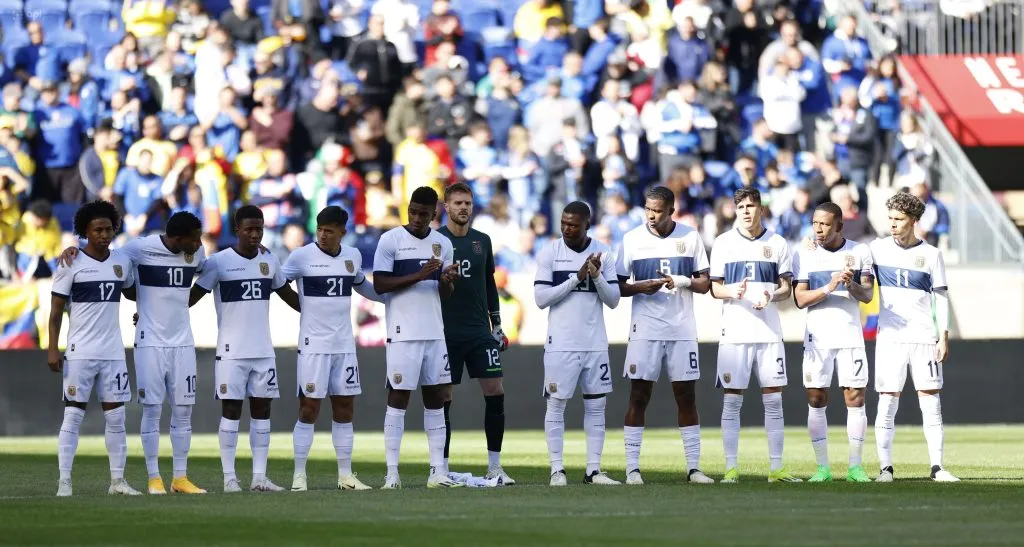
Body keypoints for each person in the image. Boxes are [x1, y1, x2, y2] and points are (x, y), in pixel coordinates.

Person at [58, 211, 209, 495]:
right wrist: (73, 251)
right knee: (151, 409)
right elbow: (105, 255)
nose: (199, 243)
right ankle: (154, 478)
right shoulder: (139, 249)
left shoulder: (197, 252)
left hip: (183, 342)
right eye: (194, 238)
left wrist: (255, 250)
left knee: (183, 411)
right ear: (178, 238)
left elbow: (212, 271)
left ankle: (180, 478)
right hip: (149, 341)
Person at [190, 205, 302, 493]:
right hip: (231, 351)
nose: (254, 234)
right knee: (231, 411)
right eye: (249, 229)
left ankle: (259, 477)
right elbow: (192, 297)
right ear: (237, 230)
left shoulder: (270, 260)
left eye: (259, 229)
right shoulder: (218, 263)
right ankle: (229, 478)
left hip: (263, 350)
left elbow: (289, 295)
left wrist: (321, 311)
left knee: (262, 411)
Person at [616, 186, 714, 485]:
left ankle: (693, 468)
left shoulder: (690, 236)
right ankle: (632, 468)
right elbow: (618, 287)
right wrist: (639, 287)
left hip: (682, 327)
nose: (650, 215)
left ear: (671, 210)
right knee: (639, 395)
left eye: (656, 210)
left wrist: (681, 281)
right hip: (645, 329)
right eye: (647, 209)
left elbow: (705, 283)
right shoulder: (632, 239)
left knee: (686, 397)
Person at [281, 206, 381, 492]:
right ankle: (299, 476)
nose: (323, 235)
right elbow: (278, 282)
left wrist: (395, 297)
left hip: (344, 345)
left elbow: (363, 287)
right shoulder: (301, 256)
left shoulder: (352, 256)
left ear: (342, 232)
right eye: (320, 229)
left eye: (329, 231)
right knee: (309, 408)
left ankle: (346, 476)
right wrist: (301, 306)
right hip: (314, 345)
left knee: (345, 407)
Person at [48, 200, 141, 497]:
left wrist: (142, 311)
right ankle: (64, 481)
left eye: (108, 229)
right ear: (84, 231)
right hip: (80, 352)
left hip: (113, 353)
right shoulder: (70, 262)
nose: (104, 234)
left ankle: (118, 482)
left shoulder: (121, 262)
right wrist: (52, 348)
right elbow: (55, 312)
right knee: (73, 416)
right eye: (97, 229)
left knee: (117, 418)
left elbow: (133, 293)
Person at [372, 186, 462, 489]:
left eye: (423, 213)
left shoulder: (442, 244)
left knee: (436, 399)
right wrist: (420, 274)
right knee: (398, 399)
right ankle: (392, 473)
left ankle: (437, 471)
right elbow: (381, 284)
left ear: (434, 213)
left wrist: (448, 281)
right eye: (412, 211)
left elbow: (445, 294)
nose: (417, 218)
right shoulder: (390, 240)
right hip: (402, 333)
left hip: (434, 332)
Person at [709, 187, 800, 483]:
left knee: (773, 399)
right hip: (734, 332)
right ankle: (731, 468)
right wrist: (732, 291)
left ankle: (776, 469)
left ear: (761, 208)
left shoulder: (777, 242)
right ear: (735, 210)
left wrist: (771, 294)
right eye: (741, 206)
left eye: (751, 205)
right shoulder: (723, 243)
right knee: (732, 400)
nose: (747, 211)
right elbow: (715, 288)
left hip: (769, 331)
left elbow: (787, 288)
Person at [869, 192, 958, 482]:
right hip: (890, 338)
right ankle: (886, 469)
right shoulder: (877, 249)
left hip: (924, 337)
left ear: (914, 221)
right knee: (887, 400)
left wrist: (943, 337)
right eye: (890, 218)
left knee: (930, 400)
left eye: (899, 219)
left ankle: (937, 467)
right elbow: (847, 252)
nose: (892, 224)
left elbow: (941, 298)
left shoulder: (932, 255)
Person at [534, 201, 621, 486]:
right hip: (561, 343)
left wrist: (595, 276)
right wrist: (576, 278)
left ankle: (593, 470)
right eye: (564, 223)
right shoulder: (550, 252)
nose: (567, 229)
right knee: (556, 406)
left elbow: (613, 300)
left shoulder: (604, 252)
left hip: (595, 343)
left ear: (587, 226)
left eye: (573, 224)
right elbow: (541, 299)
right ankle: (556, 469)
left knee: (597, 407)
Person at [437, 183, 514, 485]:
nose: (463, 208)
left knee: (495, 392)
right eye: (458, 203)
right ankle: (441, 467)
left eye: (468, 203)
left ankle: (494, 466)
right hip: (445, 332)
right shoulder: (435, 241)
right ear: (446, 206)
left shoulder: (482, 240)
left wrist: (497, 323)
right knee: (443, 397)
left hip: (480, 330)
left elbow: (489, 284)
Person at [792, 202, 875, 483]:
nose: (818, 229)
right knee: (816, 398)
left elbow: (866, 295)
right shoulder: (805, 254)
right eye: (815, 223)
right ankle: (822, 468)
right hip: (818, 337)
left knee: (855, 398)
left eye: (825, 224)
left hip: (850, 335)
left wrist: (849, 284)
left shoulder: (859, 252)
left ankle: (855, 467)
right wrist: (829, 286)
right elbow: (800, 299)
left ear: (839, 225)